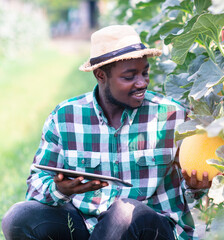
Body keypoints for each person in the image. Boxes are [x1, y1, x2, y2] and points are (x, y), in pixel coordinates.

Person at [1, 25, 211, 240]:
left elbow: (193, 189)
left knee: (124, 212)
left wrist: (195, 187)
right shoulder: (66, 116)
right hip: (88, 225)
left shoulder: (173, 115)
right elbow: (36, 184)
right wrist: (62, 190)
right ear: (101, 75)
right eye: (129, 77)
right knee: (19, 217)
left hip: (153, 227)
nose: (142, 83)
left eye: (145, 73)